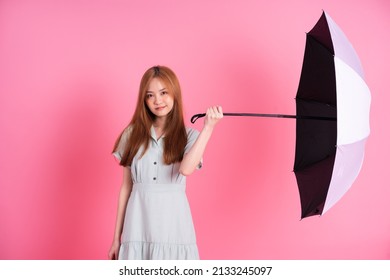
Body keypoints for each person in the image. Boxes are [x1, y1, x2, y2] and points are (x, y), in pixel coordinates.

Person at [108, 65, 223, 260]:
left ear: (174, 94)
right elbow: (126, 188)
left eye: (163, 93)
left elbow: (186, 170)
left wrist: (208, 129)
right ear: (144, 100)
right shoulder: (131, 134)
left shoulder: (190, 136)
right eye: (150, 95)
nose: (157, 101)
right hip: (137, 225)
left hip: (173, 227)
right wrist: (116, 239)